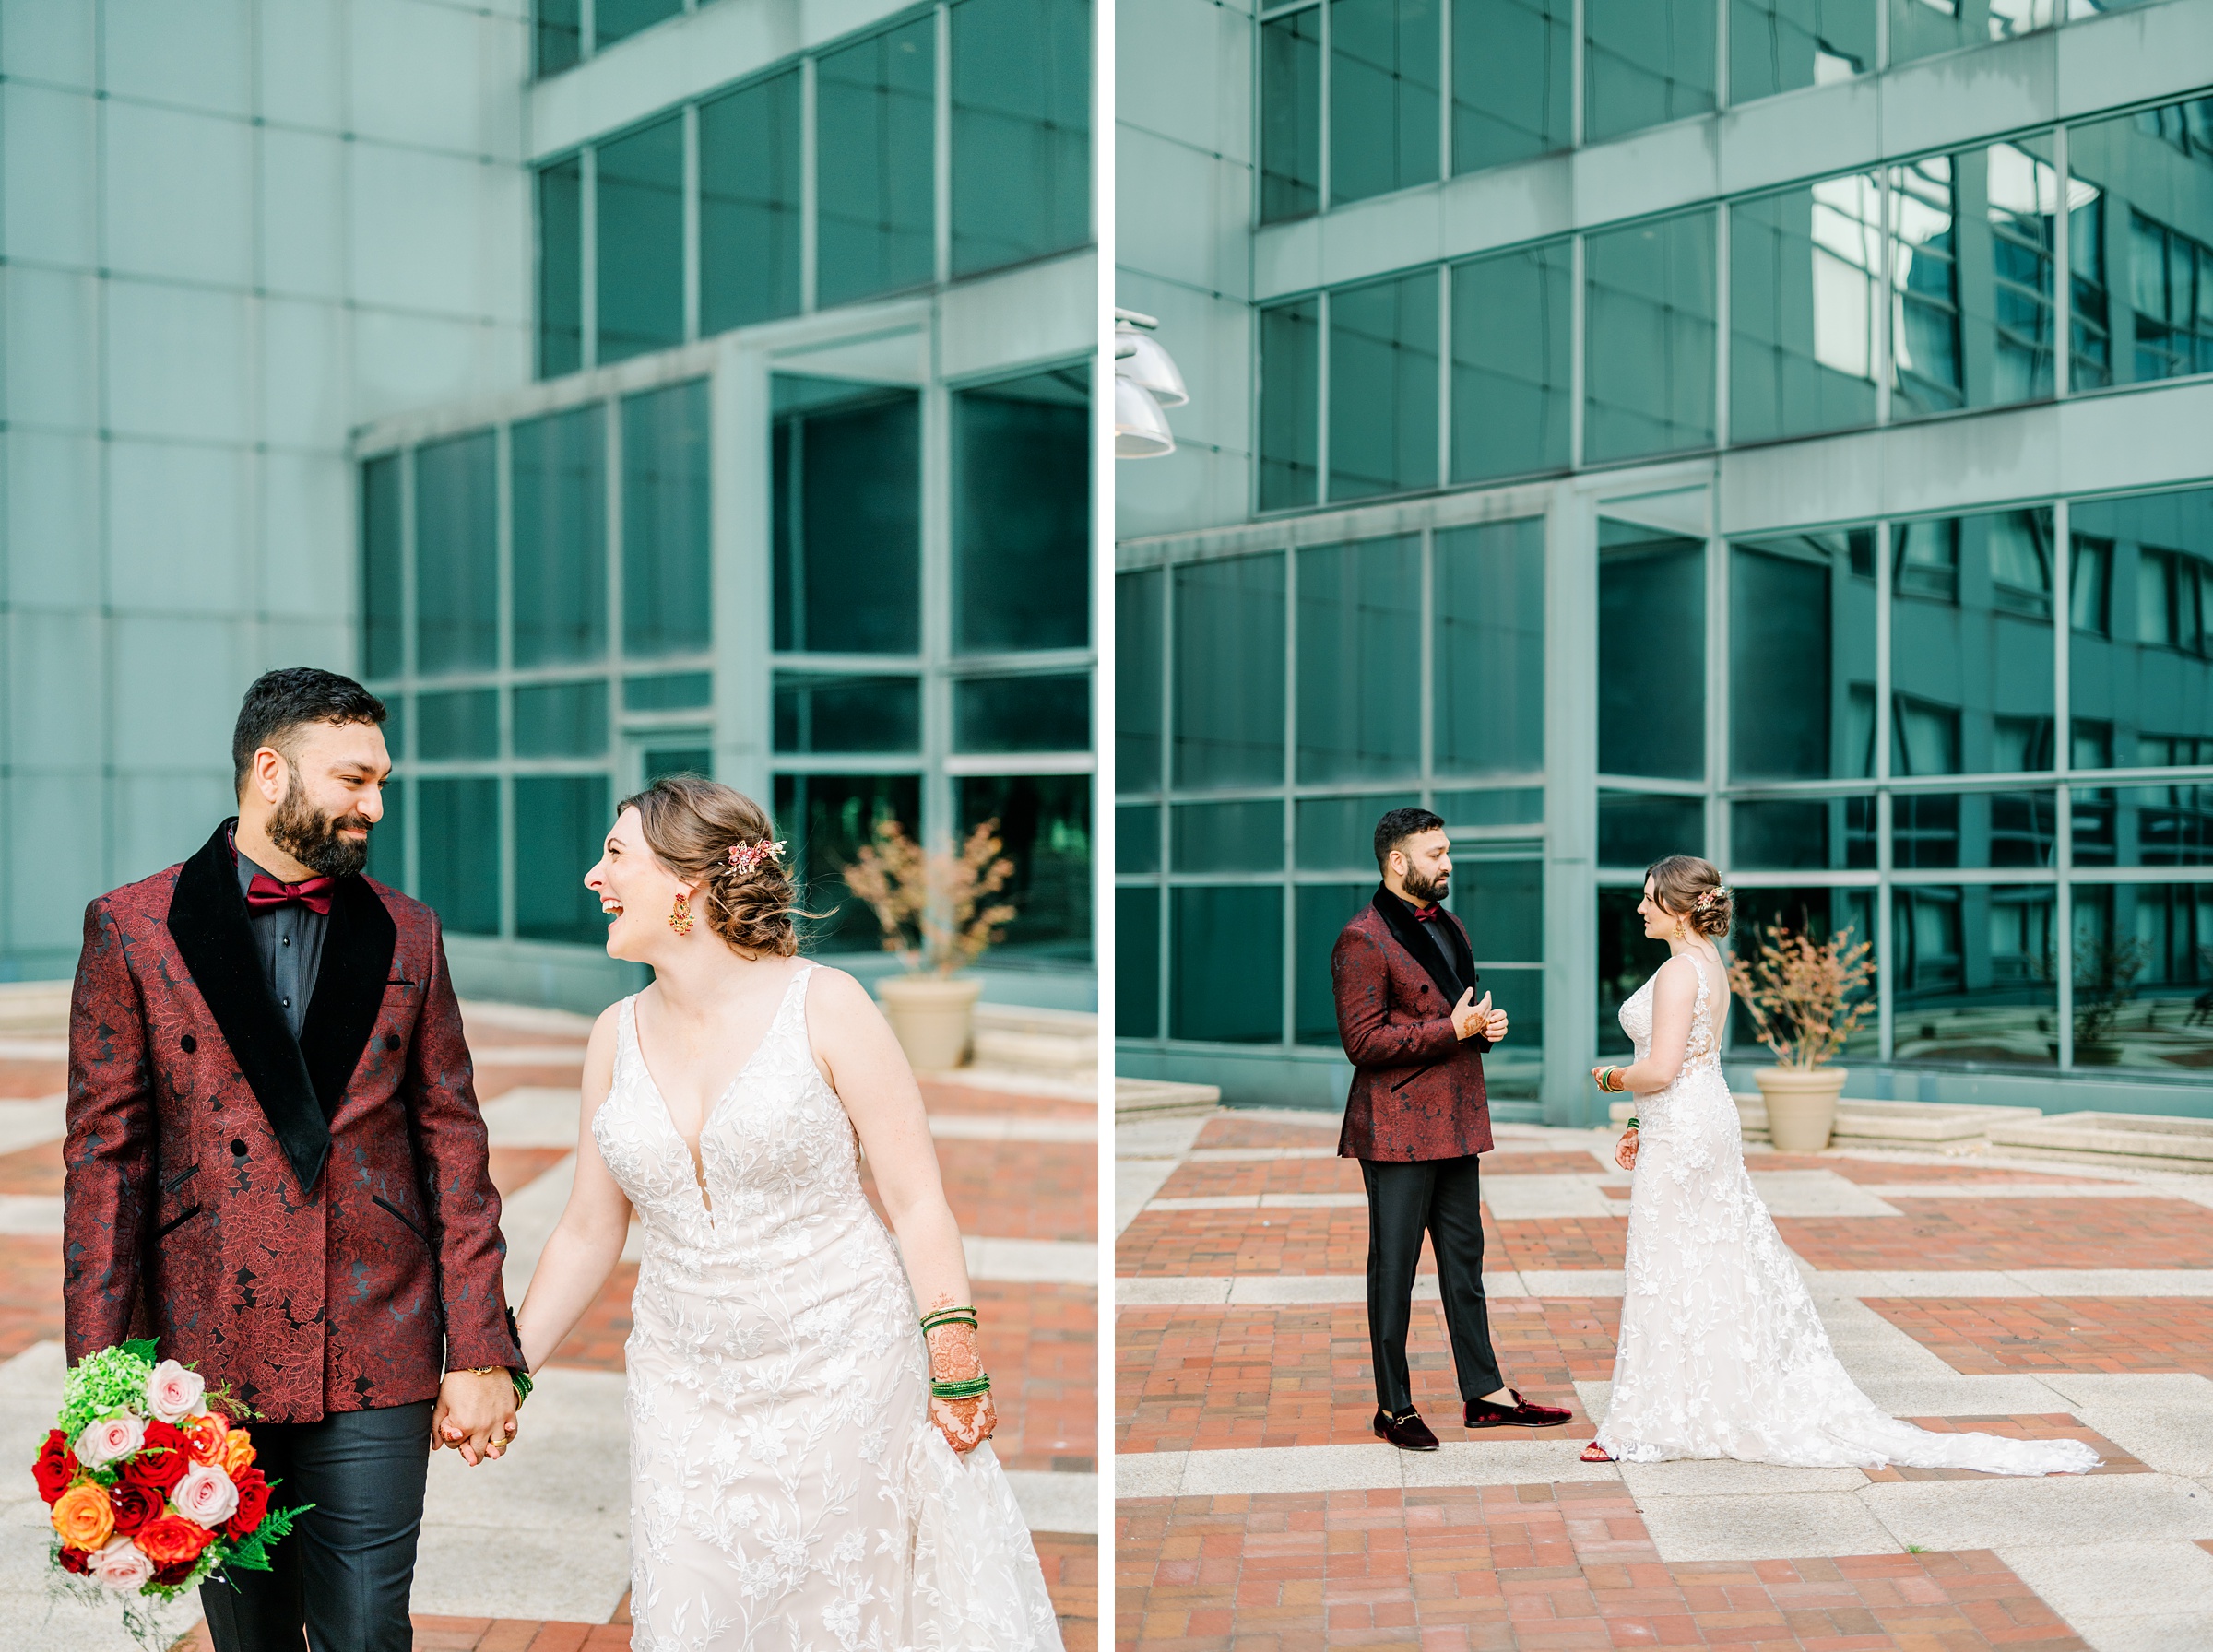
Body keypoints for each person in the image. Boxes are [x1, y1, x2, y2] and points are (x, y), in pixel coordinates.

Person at [511, 775, 1061, 1649]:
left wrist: (955, 1361)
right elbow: (588, 1226)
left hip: (844, 1368)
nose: (592, 876)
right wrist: (509, 1371)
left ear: (685, 882)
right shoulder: (613, 1034)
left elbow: (917, 1200)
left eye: (614, 854)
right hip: (681, 1386)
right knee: (694, 1613)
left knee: (838, 1615)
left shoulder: (828, 1004)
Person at [64, 667, 524, 1652]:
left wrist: (481, 1348)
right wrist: (100, 1378)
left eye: (383, 780)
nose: (377, 804)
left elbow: (454, 1141)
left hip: (378, 1331)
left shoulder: (411, 932)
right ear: (271, 772)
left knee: (367, 1633)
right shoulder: (131, 928)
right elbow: (106, 1160)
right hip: (207, 1350)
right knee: (253, 1639)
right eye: (356, 779)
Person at [1584, 854, 2097, 1475]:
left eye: (1647, 898)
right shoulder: (1707, 966)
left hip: (1686, 1128)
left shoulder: (1675, 974)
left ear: (1680, 906)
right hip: (1700, 1119)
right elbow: (1685, 1060)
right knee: (1710, 1263)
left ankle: (1652, 1421)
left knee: (1666, 1265)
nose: (1638, 908)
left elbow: (1659, 1069)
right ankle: (1698, 1404)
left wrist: (1610, 1080)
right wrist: (1642, 1119)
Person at [1332, 807, 1574, 1451]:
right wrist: (1454, 1031)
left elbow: (1455, 1013)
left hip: (1456, 1123)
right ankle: (1394, 1407)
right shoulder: (1361, 938)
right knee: (1396, 1270)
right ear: (1397, 862)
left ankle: (1486, 1392)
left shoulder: (1453, 926)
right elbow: (1362, 1042)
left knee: (1465, 1264)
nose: (1447, 863)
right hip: (1395, 1131)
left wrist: (1480, 1032)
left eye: (1447, 851)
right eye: (1435, 853)